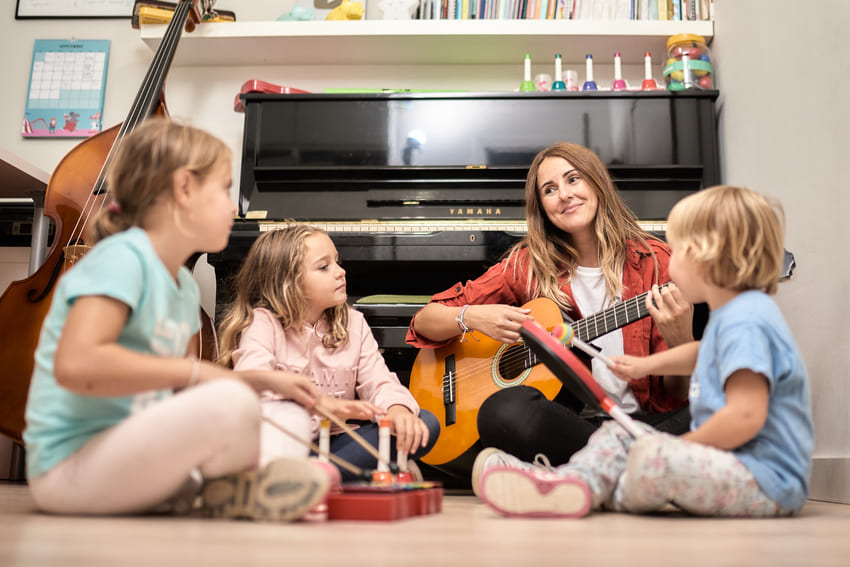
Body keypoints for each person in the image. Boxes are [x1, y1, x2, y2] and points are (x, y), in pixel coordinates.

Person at [23, 118, 332, 522]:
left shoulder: (184, 288)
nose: (234, 206)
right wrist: (201, 376)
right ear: (184, 188)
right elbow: (76, 365)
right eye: (223, 190)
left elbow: (182, 389)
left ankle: (229, 488)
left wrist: (263, 381)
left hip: (136, 460)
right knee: (230, 402)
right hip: (71, 471)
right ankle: (231, 489)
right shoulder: (121, 258)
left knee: (286, 411)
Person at [476, 185, 814, 519]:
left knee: (650, 459)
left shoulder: (748, 319)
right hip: (730, 463)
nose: (669, 259)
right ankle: (568, 484)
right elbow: (705, 353)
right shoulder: (736, 315)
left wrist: (679, 447)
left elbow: (745, 416)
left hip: (763, 480)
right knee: (618, 435)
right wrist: (646, 364)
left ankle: (575, 486)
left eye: (677, 250)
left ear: (704, 257)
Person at [406, 142, 694, 480]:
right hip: (567, 426)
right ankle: (627, 469)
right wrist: (473, 317)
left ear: (597, 182)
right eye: (550, 189)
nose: (565, 195)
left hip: (640, 422)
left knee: (723, 407)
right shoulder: (527, 264)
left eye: (574, 179)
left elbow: (679, 395)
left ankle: (576, 473)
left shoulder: (658, 263)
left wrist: (680, 340)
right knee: (502, 410)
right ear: (541, 206)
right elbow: (425, 320)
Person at [216, 225, 440, 481]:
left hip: (339, 443)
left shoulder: (353, 323)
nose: (340, 271)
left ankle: (313, 476)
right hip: (284, 440)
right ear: (287, 283)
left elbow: (379, 381)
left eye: (337, 262)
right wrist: (324, 409)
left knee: (424, 422)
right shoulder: (263, 324)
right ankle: (347, 473)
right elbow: (254, 390)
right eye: (324, 267)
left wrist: (397, 409)